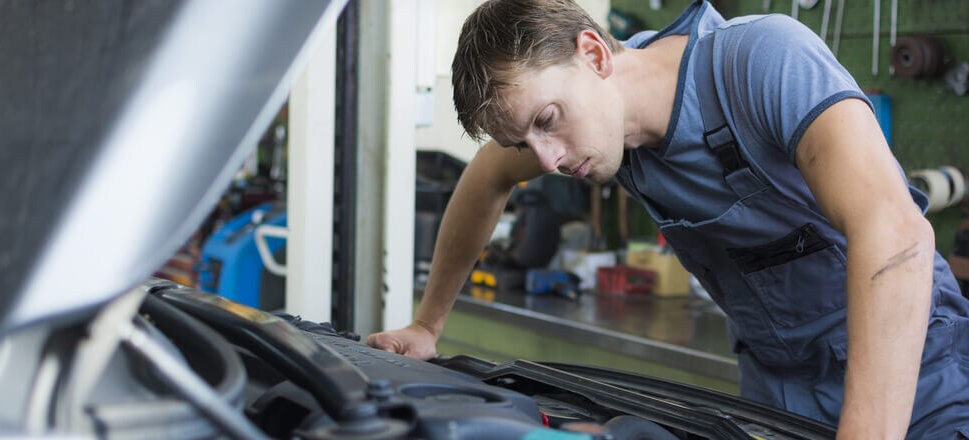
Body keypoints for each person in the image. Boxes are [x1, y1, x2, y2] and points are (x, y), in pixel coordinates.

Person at [367, 0, 969, 437]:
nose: (546, 159)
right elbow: (485, 178)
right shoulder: (598, 138)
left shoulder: (759, 62)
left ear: (595, 53)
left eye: (548, 119)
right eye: (525, 143)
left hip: (917, 370)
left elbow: (894, 232)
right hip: (778, 389)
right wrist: (426, 325)